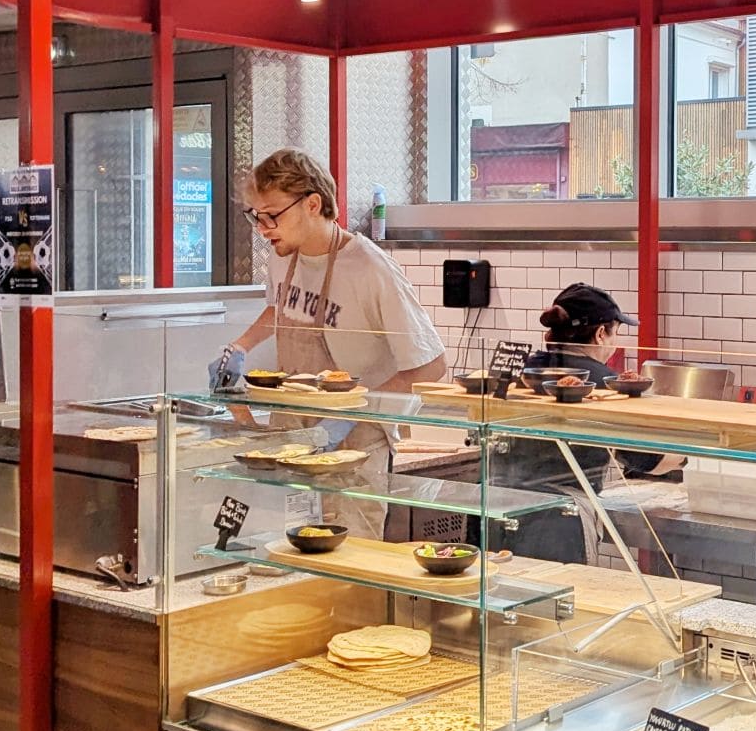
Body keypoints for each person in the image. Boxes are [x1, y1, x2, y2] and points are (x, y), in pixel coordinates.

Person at [211, 150, 446, 520]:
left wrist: (351, 415)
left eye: (271, 215)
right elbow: (282, 307)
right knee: (291, 550)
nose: (262, 227)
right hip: (291, 431)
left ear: (312, 204)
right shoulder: (282, 255)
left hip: (354, 445)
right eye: (255, 216)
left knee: (350, 562)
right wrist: (239, 346)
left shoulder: (370, 268)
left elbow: (431, 366)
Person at [487, 282, 670, 564]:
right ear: (600, 334)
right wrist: (691, 459)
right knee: (554, 604)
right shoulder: (604, 384)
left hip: (492, 502)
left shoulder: (521, 370)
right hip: (555, 521)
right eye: (616, 333)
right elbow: (648, 459)